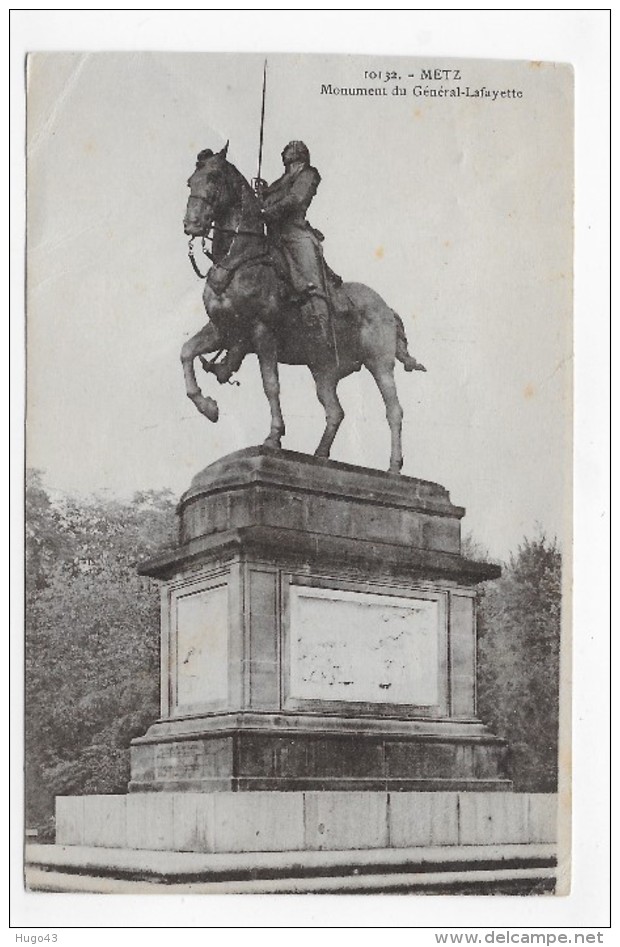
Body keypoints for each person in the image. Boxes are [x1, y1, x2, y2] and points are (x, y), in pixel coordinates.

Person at [257, 141, 338, 358]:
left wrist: (269, 211)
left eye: (290, 159)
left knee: (312, 282)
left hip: (295, 233)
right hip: (275, 234)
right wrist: (262, 192)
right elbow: (271, 195)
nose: (287, 164)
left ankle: (323, 331)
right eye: (286, 161)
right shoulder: (284, 178)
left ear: (299, 159)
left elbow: (295, 199)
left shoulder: (309, 175)